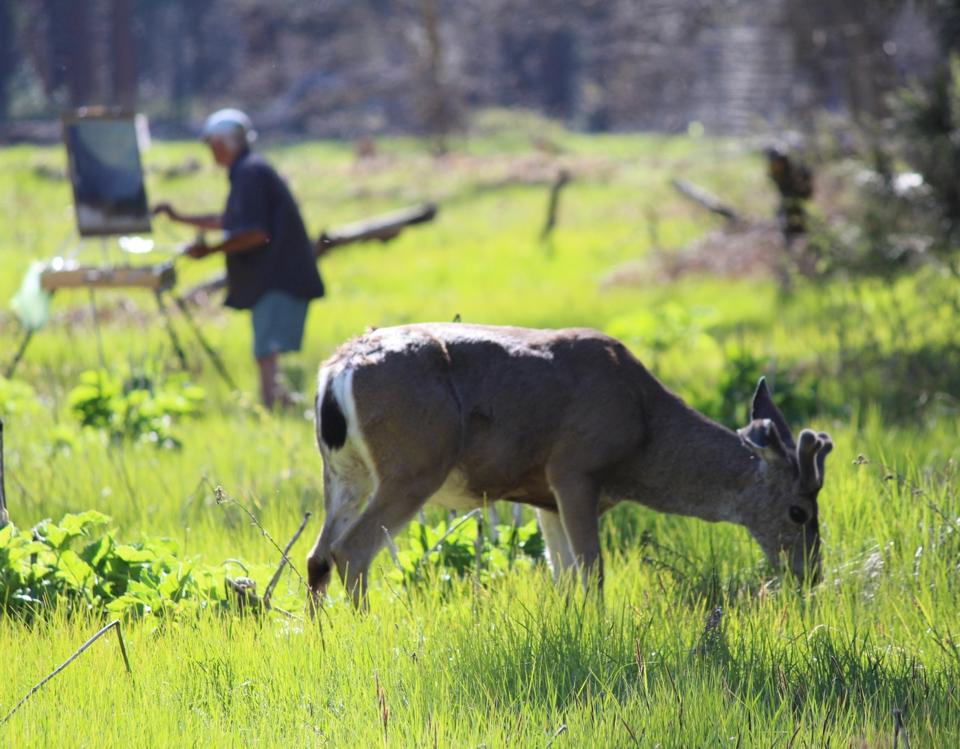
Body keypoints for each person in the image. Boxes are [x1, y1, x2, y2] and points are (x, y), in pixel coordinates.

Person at [153, 109, 325, 408]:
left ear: (223, 143)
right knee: (268, 355)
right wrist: (180, 217)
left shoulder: (249, 174)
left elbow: (255, 233)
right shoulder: (250, 170)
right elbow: (233, 220)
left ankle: (276, 410)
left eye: (211, 144)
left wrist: (209, 251)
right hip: (278, 278)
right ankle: (282, 408)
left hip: (278, 279)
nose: (210, 151)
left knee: (267, 354)